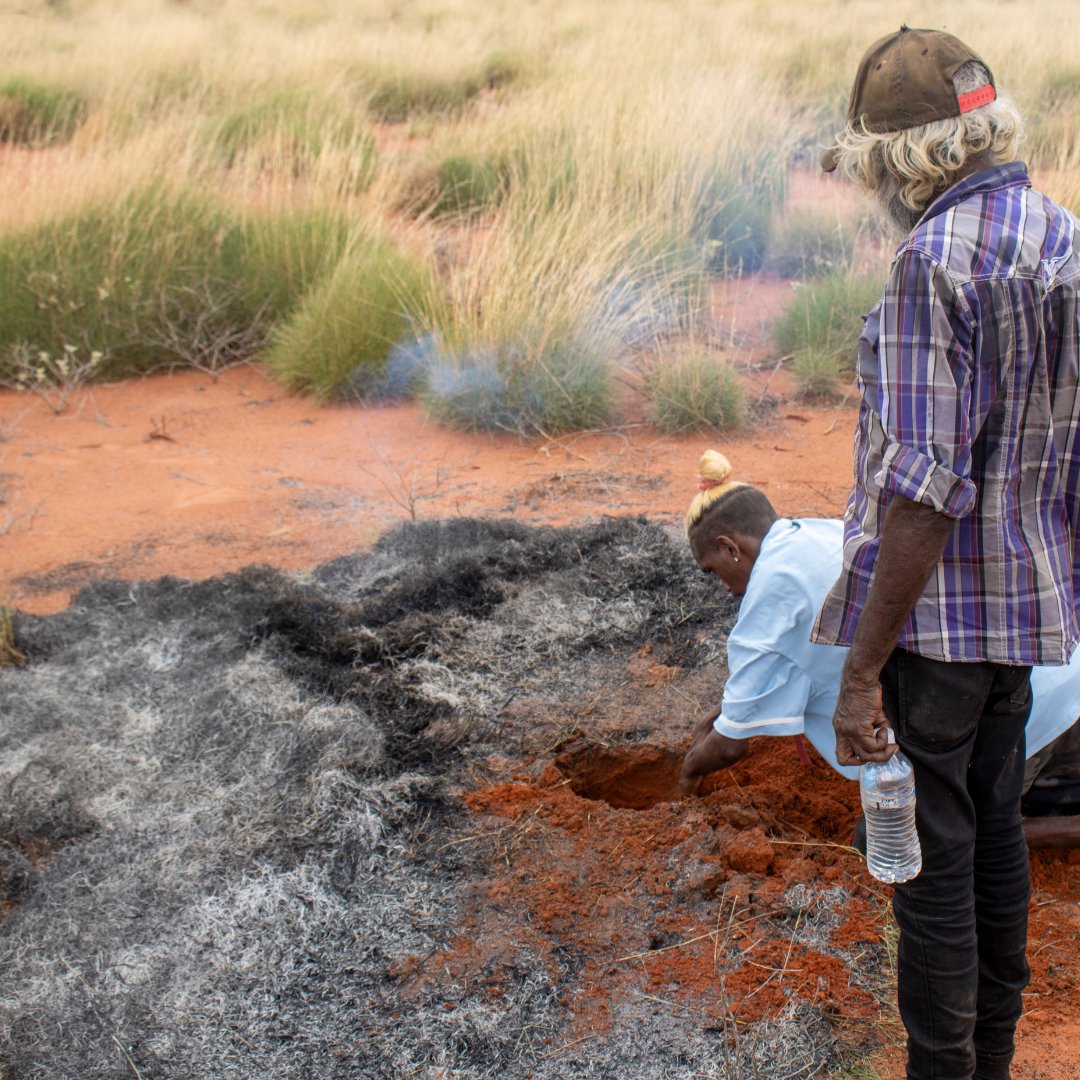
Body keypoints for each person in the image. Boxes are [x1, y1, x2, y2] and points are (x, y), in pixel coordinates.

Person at [811, 27, 1079, 1080]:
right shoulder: (1062, 233)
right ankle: (994, 1059)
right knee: (996, 827)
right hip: (1022, 610)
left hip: (933, 627)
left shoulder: (935, 260)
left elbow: (921, 492)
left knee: (931, 863)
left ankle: (944, 1068)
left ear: (906, 161)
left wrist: (864, 669)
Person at [678, 451, 1080, 852]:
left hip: (1016, 715)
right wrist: (729, 712)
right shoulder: (813, 536)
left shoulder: (770, 592)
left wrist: (687, 775)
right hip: (1056, 678)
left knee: (910, 840)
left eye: (711, 570)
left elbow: (732, 744)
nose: (725, 588)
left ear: (730, 546)